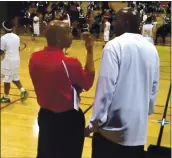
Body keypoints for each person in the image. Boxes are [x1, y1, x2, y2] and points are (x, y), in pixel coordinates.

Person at [85, 7, 160, 158]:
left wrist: (93, 125)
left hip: (111, 134)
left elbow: (106, 90)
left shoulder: (114, 46)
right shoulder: (152, 50)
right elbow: (153, 91)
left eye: (116, 20)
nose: (114, 24)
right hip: (137, 134)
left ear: (125, 23)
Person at [29, 20, 95, 158]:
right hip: (68, 120)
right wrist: (90, 51)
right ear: (59, 38)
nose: (71, 35)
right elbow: (88, 81)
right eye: (68, 32)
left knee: (46, 153)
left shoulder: (34, 58)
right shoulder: (69, 63)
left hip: (45, 116)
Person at [0, 21, 28, 103]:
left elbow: (1, 52)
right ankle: (23, 90)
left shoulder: (3, 38)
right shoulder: (16, 37)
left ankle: (6, 97)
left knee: (6, 79)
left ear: (4, 28)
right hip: (16, 60)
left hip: (7, 61)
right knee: (15, 77)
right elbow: (18, 49)